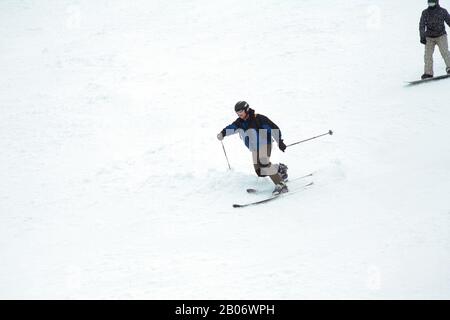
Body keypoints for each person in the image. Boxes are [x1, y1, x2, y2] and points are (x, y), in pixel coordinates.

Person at [217, 101, 289, 195]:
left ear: (246, 109)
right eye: (237, 113)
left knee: (264, 162)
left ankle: (281, 185)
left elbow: (273, 128)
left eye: (241, 111)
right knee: (260, 171)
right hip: (254, 148)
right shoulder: (239, 123)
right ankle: (279, 170)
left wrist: (280, 141)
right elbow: (231, 127)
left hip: (265, 143)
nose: (239, 114)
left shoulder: (258, 118)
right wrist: (223, 133)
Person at [419, 0, 450, 79]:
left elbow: (449, 21)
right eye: (429, 2)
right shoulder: (425, 13)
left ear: (436, 2)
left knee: (445, 52)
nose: (430, 4)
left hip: (441, 35)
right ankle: (428, 73)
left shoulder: (442, 11)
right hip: (429, 37)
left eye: (432, 2)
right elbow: (421, 25)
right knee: (427, 55)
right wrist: (422, 36)